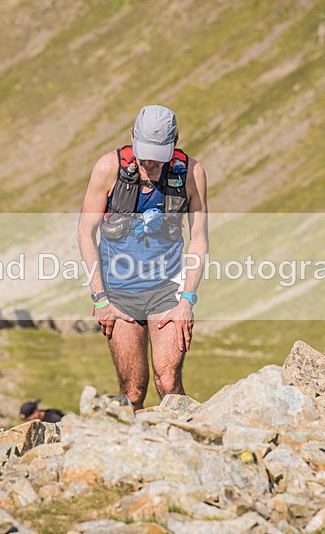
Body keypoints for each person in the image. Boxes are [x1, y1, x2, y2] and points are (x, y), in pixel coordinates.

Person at [77, 105, 209, 410]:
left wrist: (187, 299)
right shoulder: (107, 168)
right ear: (133, 136)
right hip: (119, 293)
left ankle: (185, 447)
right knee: (133, 392)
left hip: (168, 291)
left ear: (174, 144)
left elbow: (199, 237)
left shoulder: (191, 172)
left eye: (158, 156)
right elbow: (86, 231)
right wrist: (99, 299)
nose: (149, 163)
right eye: (144, 153)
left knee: (168, 382)